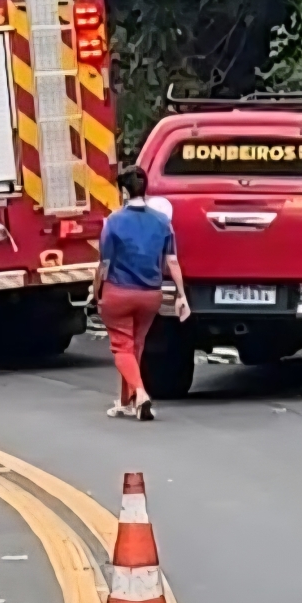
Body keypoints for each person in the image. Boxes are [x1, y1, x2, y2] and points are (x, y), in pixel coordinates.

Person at [92, 166, 190, 420]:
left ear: (124, 191)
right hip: (150, 295)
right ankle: (126, 402)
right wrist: (181, 296)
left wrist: (96, 291)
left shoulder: (113, 222)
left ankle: (141, 394)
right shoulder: (162, 222)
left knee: (122, 347)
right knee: (136, 346)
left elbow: (104, 265)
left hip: (119, 292)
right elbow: (172, 261)